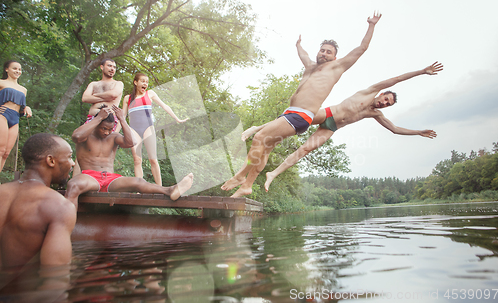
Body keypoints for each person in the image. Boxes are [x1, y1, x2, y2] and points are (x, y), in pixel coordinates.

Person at [222, 12, 382, 197]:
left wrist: (371, 26)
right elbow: (303, 54)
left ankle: (241, 175)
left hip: (302, 116)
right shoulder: (310, 67)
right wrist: (298, 45)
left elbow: (362, 48)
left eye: (329, 52)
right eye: (322, 50)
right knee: (265, 148)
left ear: (335, 58)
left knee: (259, 137)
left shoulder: (337, 68)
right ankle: (247, 185)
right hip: (289, 113)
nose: (324, 53)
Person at [242, 62, 444, 191]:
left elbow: (395, 129)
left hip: (332, 127)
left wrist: (418, 132)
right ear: (382, 94)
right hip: (328, 113)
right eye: (386, 99)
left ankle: (273, 174)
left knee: (305, 149)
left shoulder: (375, 114)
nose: (384, 103)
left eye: (388, 104)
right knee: (296, 117)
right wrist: (422, 72)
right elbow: (397, 79)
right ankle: (256, 128)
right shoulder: (369, 91)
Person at [65, 104, 193, 208]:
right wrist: (98, 117)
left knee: (138, 181)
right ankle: (66, 225)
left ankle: (170, 190)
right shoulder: (85, 135)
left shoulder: (113, 137)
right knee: (73, 185)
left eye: (110, 129)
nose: (107, 132)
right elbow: (76, 136)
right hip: (90, 177)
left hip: (110, 179)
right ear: (97, 123)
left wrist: (122, 119)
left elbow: (132, 142)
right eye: (104, 128)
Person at [0, 133, 76, 268]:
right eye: (69, 157)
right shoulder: (60, 207)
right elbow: (54, 277)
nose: (73, 163)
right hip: (20, 288)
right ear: (51, 161)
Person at [122, 73, 188, 186]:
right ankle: (139, 189)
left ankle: (160, 188)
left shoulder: (150, 94)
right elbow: (122, 117)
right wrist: (113, 131)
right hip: (133, 129)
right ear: (135, 82)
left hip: (148, 128)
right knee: (137, 160)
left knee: (153, 159)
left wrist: (177, 118)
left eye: (146, 82)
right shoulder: (127, 98)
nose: (145, 84)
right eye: (142, 81)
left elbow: (165, 106)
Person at [0, 60, 33, 174]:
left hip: (15, 118)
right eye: (14, 68)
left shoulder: (23, 90)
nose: (17, 71)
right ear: (6, 69)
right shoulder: (2, 83)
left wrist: (27, 108)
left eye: (19, 69)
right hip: (3, 114)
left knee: (6, 153)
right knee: (1, 149)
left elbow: (20, 107)